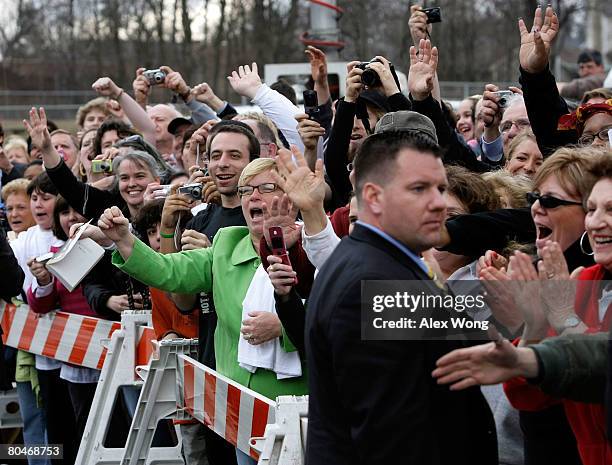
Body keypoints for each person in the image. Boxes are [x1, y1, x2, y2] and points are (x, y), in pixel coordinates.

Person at [305, 115, 497, 465]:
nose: (438, 202)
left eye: (439, 188)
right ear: (374, 197)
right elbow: (389, 437)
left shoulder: (388, 263)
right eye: (419, 189)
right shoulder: (372, 282)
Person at [100, 157, 308, 465]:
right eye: (246, 190)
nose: (254, 197)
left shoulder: (311, 244)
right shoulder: (226, 244)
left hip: (299, 406)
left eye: (266, 187)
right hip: (240, 405)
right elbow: (168, 271)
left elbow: (335, 312)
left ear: (292, 197)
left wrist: (283, 324)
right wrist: (124, 239)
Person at [434, 152, 612, 464]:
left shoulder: (574, 280)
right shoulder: (578, 278)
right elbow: (526, 396)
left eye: (551, 201)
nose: (596, 221)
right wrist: (530, 331)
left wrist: (555, 318)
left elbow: (595, 372)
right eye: (534, 197)